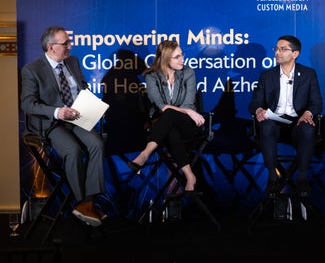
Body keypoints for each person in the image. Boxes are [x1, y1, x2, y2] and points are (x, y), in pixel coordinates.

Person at [21, 26, 106, 227]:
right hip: (52, 123)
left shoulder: (73, 62)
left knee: (97, 144)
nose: (70, 46)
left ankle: (88, 202)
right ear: (52, 47)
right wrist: (58, 112)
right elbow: (27, 103)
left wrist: (93, 106)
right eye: (65, 43)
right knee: (73, 151)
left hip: (77, 117)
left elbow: (82, 88)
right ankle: (82, 202)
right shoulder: (32, 70)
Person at [249, 35, 322, 196]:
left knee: (308, 129)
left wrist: (308, 114)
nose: (278, 52)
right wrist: (259, 110)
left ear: (295, 54)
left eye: (283, 49)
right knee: (266, 125)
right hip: (274, 123)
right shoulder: (267, 76)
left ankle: (302, 178)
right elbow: (255, 102)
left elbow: (316, 102)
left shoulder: (308, 74)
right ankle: (272, 177)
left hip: (297, 123)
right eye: (276, 49)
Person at [127, 40, 204, 192]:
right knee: (170, 130)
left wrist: (188, 111)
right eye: (177, 57)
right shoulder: (151, 76)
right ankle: (190, 176)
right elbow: (160, 106)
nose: (182, 59)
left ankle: (145, 154)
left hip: (187, 126)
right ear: (165, 58)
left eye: (182, 55)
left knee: (170, 115)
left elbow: (188, 104)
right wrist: (187, 111)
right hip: (163, 127)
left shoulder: (188, 72)